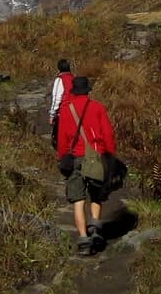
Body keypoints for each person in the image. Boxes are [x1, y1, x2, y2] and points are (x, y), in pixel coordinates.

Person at [57, 76, 116, 255]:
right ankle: (95, 225)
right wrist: (110, 156)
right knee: (96, 194)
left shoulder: (66, 110)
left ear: (74, 91)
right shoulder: (97, 108)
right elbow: (108, 134)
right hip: (95, 157)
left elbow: (61, 139)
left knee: (78, 199)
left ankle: (83, 238)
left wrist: (63, 158)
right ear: (88, 90)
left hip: (75, 158)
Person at [47, 59, 73, 145]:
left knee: (58, 138)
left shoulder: (60, 80)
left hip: (63, 111)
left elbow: (56, 98)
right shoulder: (73, 78)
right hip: (74, 111)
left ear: (59, 69)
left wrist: (52, 115)